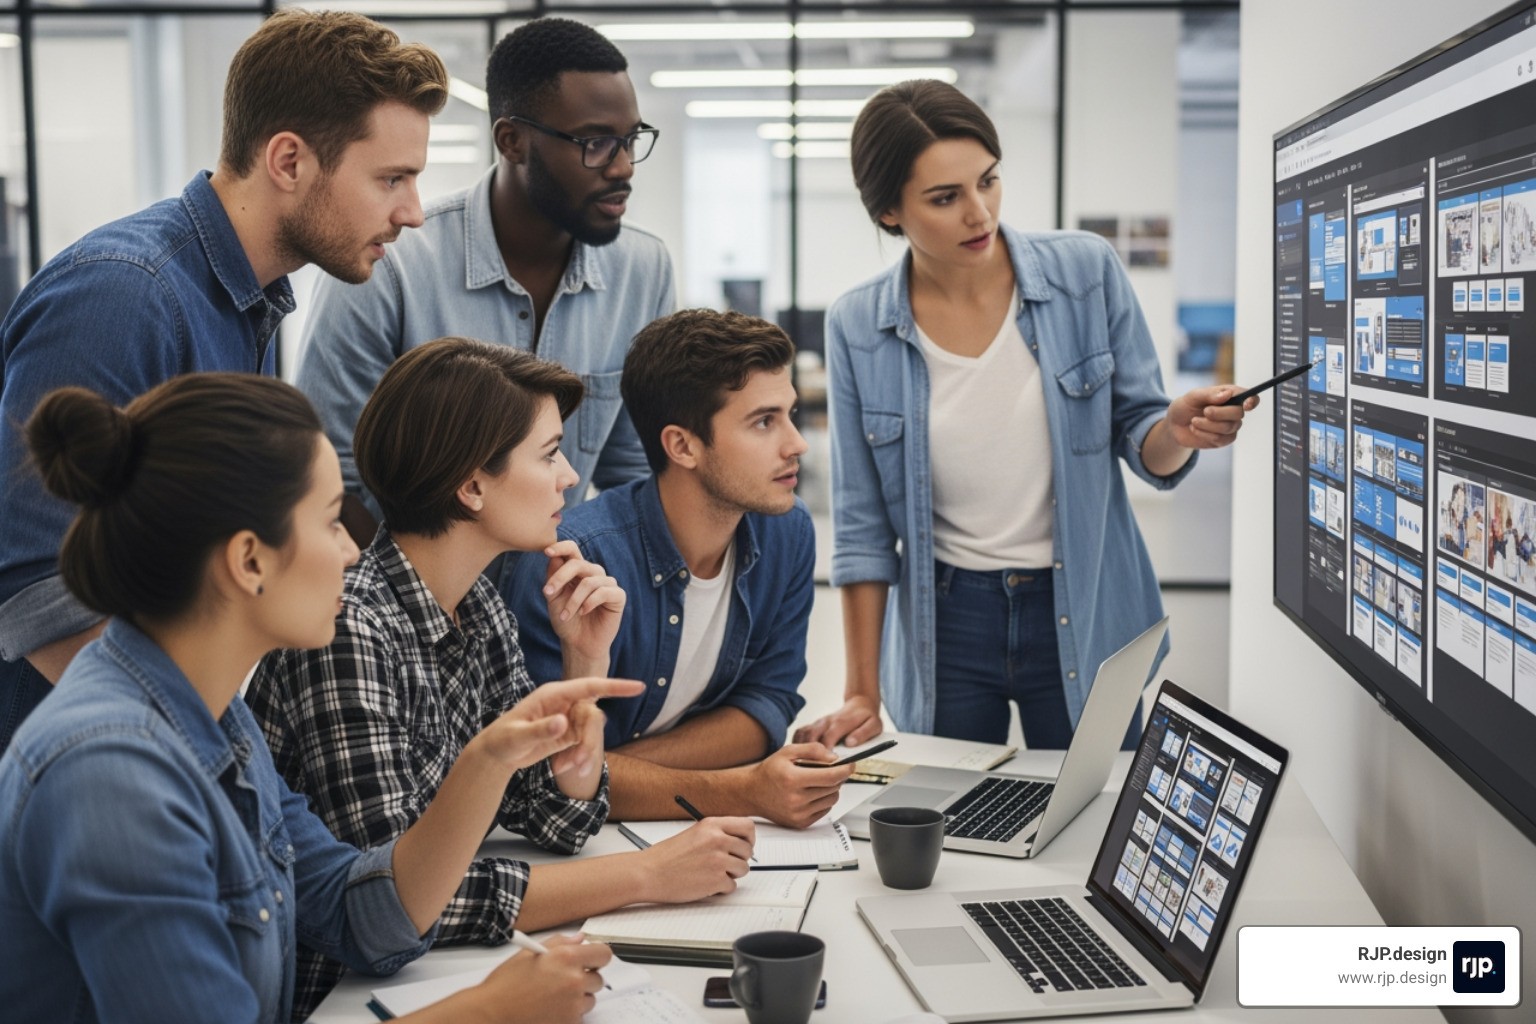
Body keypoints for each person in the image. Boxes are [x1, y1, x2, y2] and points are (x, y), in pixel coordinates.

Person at [0, 373, 642, 1024]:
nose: (348, 550)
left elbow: (360, 912)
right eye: (332, 521)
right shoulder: (112, 774)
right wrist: (487, 1011)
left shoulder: (215, 713)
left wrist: (489, 761)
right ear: (250, 561)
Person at [247, 337, 755, 1019]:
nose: (570, 477)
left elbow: (558, 813)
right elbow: (402, 901)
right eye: (548, 455)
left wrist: (585, 662)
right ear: (472, 485)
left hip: (427, 978)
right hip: (339, 1000)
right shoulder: (348, 631)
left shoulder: (478, 601)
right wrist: (645, 875)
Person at [0, 9, 449, 751]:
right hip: (90, 781)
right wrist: (218, 756)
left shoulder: (248, 303)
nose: (412, 213)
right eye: (391, 179)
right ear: (288, 162)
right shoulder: (126, 296)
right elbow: (40, 602)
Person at [795, 80, 1255, 750]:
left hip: (1084, 603)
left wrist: (1178, 432)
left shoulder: (1085, 273)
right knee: (952, 829)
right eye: (945, 198)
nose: (979, 213)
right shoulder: (858, 325)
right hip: (947, 622)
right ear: (890, 212)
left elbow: (1147, 446)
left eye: (988, 181)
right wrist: (861, 692)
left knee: (1091, 825)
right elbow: (863, 528)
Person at [296, 16, 672, 548]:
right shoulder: (391, 261)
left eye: (631, 139)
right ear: (512, 141)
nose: (623, 167)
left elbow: (630, 472)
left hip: (560, 610)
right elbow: (331, 477)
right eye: (595, 143)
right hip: (404, 615)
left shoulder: (644, 269)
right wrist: (424, 611)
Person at [505, 309, 854, 828]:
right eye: (764, 422)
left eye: (789, 414)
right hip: (576, 848)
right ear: (682, 446)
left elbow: (767, 704)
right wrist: (740, 790)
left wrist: (615, 769)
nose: (796, 443)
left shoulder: (787, 529)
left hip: (682, 831)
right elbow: (539, 778)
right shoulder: (572, 563)